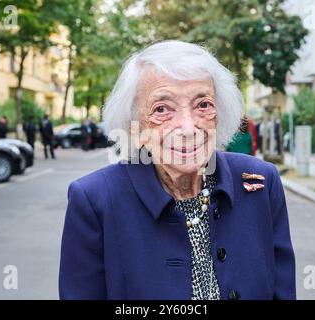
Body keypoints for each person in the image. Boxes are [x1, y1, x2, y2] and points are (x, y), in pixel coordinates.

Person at [59, 40, 295, 300]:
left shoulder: (260, 183)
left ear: (220, 113)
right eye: (162, 109)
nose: (187, 127)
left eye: (202, 105)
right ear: (134, 128)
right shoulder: (95, 200)